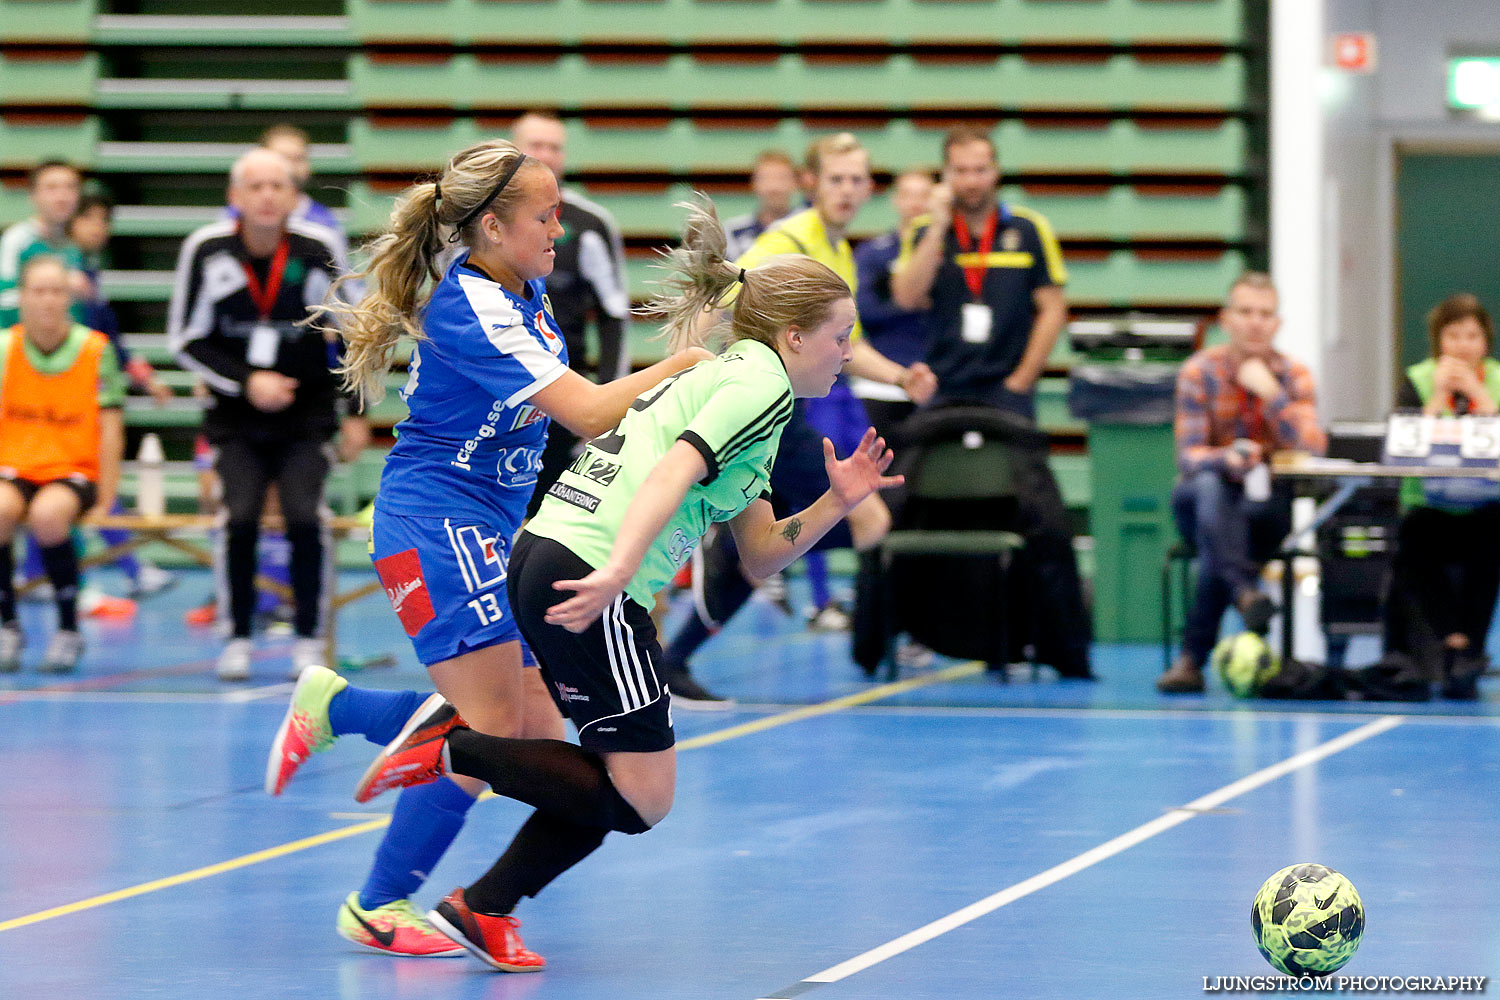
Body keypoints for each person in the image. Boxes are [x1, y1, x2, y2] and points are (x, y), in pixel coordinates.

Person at [350, 194, 903, 973]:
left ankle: (482, 905)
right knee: (644, 795)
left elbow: (761, 555)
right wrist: (616, 572)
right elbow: (677, 468)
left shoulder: (743, 385)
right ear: (794, 336)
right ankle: (450, 750)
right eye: (841, 337)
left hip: (550, 556)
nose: (848, 352)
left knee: (618, 784)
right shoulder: (760, 386)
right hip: (589, 571)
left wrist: (836, 502)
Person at [263, 138, 710, 960]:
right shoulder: (476, 308)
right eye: (546, 217)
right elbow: (590, 413)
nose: (559, 231)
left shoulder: (523, 285)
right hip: (437, 524)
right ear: (495, 227)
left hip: (488, 522)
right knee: (493, 722)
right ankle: (356, 785)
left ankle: (380, 859)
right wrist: (690, 360)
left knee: (530, 724)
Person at [655, 133, 935, 699]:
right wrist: (682, 371)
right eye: (836, 178)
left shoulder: (838, 250)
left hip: (788, 416)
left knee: (761, 555)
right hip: (765, 411)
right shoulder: (789, 243)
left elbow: (841, 345)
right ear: (812, 184)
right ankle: (725, 567)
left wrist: (901, 376)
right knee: (869, 521)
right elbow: (721, 296)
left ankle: (683, 645)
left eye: (858, 180)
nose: (848, 190)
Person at [168, 147, 367, 682]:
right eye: (254, 186)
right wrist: (245, 382)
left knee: (306, 518)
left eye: (277, 186)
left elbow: (352, 332)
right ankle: (235, 636)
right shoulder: (206, 251)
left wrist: (355, 410)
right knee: (239, 518)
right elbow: (185, 339)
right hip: (236, 420)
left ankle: (307, 636)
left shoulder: (319, 247)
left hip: (306, 417)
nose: (266, 195)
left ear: (293, 196)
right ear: (235, 197)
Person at [1157, 272, 1326, 694]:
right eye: (1245, 312)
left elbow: (1313, 446)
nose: (1255, 323)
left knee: (1219, 550)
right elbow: (1188, 455)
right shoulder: (1199, 371)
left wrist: (1273, 397)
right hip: (1202, 500)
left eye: (1265, 314)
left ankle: (1192, 658)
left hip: (1265, 507)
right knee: (1212, 491)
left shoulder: (1292, 375)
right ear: (1226, 319)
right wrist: (1227, 457)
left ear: (1277, 324)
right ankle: (1245, 593)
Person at [0, 255, 125, 673]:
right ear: (23, 297)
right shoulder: (6, 347)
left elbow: (110, 427)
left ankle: (68, 628)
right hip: (16, 464)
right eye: (38, 290)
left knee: (49, 516)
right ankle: (8, 624)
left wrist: (107, 495)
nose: (47, 300)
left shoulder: (93, 349)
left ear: (69, 297)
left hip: (73, 469)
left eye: (56, 291)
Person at [891, 127, 1068, 418]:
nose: (971, 181)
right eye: (960, 171)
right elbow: (907, 298)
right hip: (941, 386)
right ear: (945, 176)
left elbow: (1053, 309)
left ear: (996, 171)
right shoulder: (924, 230)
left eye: (980, 170)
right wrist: (937, 228)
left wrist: (1021, 380)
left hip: (1007, 386)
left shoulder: (1029, 229)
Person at [510, 111, 633, 518]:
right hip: (502, 390)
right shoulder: (484, 223)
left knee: (552, 518)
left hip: (566, 394)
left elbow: (615, 316)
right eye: (535, 145)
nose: (545, 155)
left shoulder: (590, 225)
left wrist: (610, 404)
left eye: (554, 147)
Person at [1383, 293, 1500, 699]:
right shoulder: (1417, 380)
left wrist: (1481, 398)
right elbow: (1403, 446)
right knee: (1415, 543)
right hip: (1429, 506)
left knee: (1490, 545)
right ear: (1438, 340)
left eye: (1473, 335)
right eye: (1454, 335)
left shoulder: (1498, 380)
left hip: (1487, 506)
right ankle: (1454, 642)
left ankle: (1469, 648)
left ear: (1486, 341)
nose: (1464, 344)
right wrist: (1436, 399)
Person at [852, 167, 935, 436]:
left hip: (934, 381)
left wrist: (893, 296)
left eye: (924, 195)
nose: (915, 203)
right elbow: (864, 311)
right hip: (879, 382)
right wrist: (911, 301)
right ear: (895, 199)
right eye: (907, 194)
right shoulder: (873, 252)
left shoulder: (949, 252)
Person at [0, 160, 88, 329]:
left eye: (70, 187)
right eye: (51, 188)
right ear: (33, 196)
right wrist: (51, 289)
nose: (62, 197)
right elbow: (3, 297)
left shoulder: (76, 244)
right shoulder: (16, 239)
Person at [723, 149, 801, 260]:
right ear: (754, 183)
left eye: (782, 178)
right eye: (765, 178)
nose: (774, 187)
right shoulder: (732, 231)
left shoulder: (812, 230)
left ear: (795, 183)